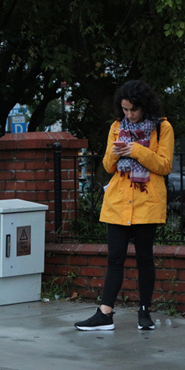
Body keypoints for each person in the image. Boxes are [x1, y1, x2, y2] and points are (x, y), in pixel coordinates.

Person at [74, 80, 174, 331]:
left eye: (133, 109)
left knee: (145, 259)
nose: (129, 114)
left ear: (144, 106)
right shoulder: (117, 127)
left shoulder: (162, 128)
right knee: (115, 259)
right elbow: (108, 167)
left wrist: (137, 150)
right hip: (118, 202)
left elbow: (164, 166)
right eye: (125, 109)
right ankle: (105, 314)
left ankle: (144, 312)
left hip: (146, 202)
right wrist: (117, 152)